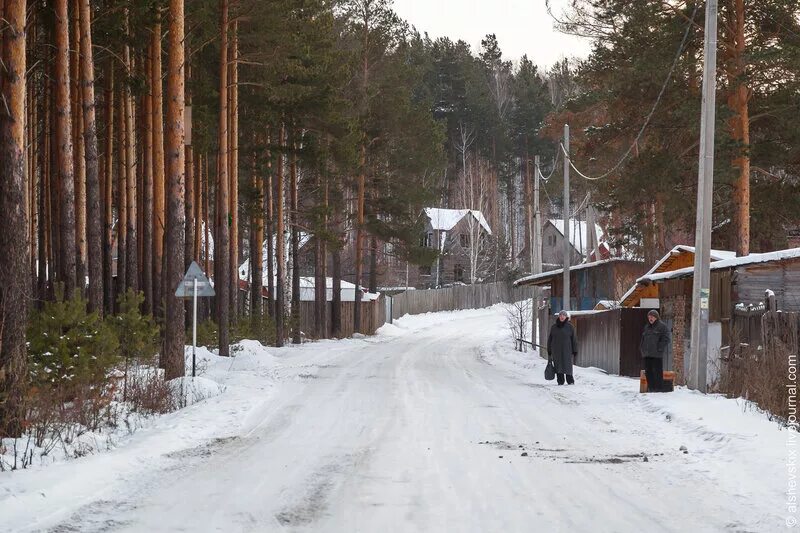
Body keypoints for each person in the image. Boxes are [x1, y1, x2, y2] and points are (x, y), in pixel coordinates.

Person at [640, 309, 670, 392]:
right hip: (647, 354)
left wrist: (659, 348)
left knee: (657, 372)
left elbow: (666, 339)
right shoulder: (647, 327)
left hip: (656, 354)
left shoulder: (662, 326)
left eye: (652, 317)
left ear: (656, 317)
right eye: (649, 317)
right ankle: (651, 388)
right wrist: (642, 348)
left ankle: (658, 389)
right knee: (648, 372)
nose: (650, 318)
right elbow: (643, 339)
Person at [548, 310, 578, 385]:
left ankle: (570, 381)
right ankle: (560, 381)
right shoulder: (554, 327)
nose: (562, 317)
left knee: (567, 365)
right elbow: (550, 339)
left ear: (566, 317)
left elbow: (574, 339)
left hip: (567, 350)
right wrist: (549, 349)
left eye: (563, 315)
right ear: (558, 316)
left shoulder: (570, 327)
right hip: (556, 350)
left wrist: (575, 350)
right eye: (560, 315)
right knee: (558, 366)